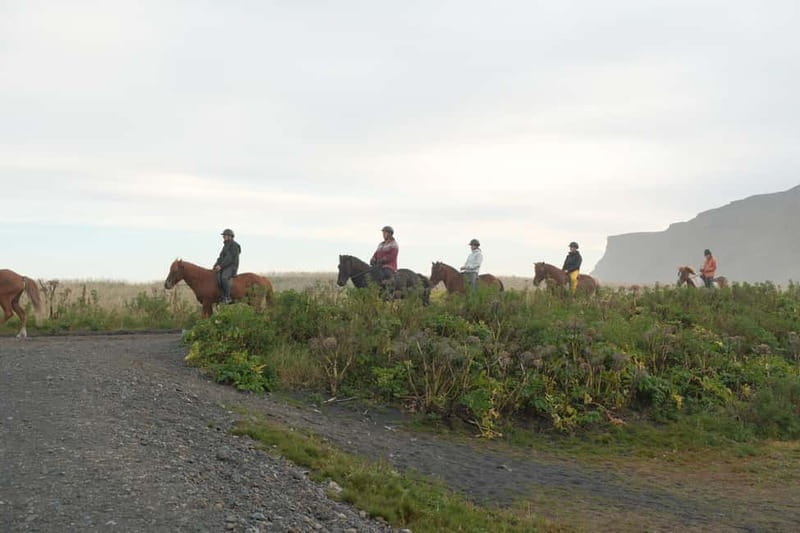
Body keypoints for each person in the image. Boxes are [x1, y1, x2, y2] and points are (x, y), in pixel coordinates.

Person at [213, 228, 241, 304]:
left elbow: (229, 258)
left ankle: (227, 297)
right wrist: (215, 265)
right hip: (224, 266)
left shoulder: (234, 245)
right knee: (216, 276)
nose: (223, 237)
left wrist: (220, 266)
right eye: (223, 236)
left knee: (224, 277)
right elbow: (221, 257)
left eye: (225, 235)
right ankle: (221, 296)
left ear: (230, 236)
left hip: (231, 266)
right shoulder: (225, 246)